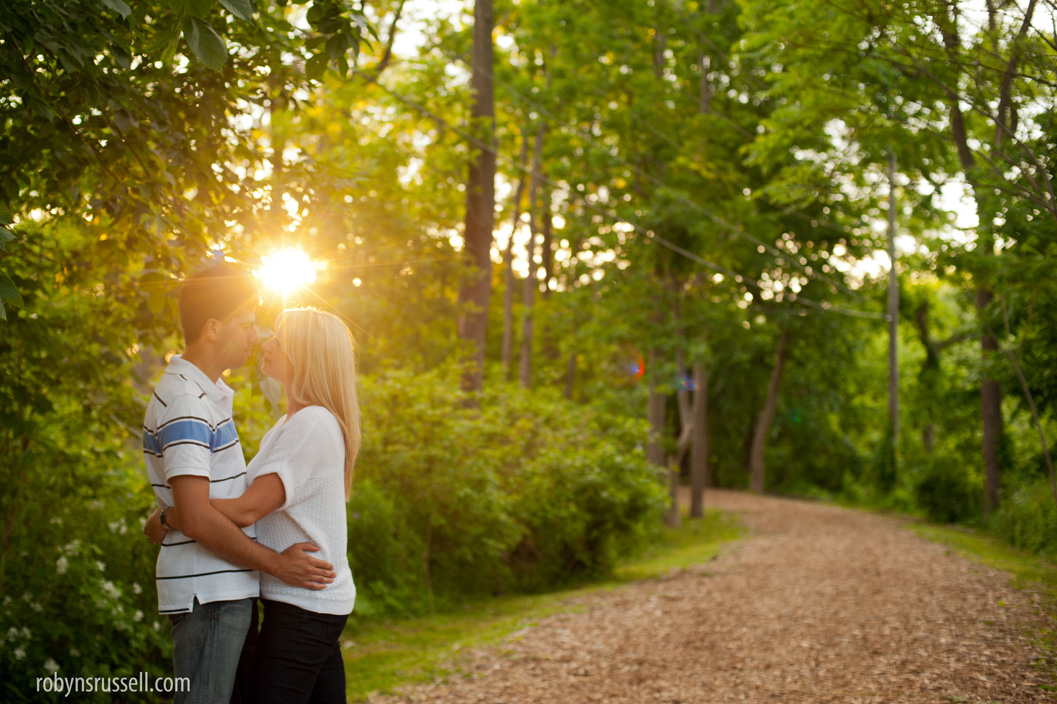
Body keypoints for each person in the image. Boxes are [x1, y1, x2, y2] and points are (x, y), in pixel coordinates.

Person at [142, 266, 336, 704]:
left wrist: (169, 515)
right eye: (247, 325)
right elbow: (196, 514)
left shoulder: (205, 395)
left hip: (226, 590)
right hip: (211, 594)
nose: (256, 336)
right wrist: (278, 565)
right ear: (213, 328)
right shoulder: (188, 402)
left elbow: (192, 508)